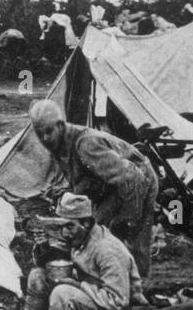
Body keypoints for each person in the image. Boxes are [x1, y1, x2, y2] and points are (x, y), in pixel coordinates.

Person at [29, 98, 159, 276]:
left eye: (49, 131)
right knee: (97, 231)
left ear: (60, 125)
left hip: (140, 179)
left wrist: (128, 220)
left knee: (133, 240)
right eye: (39, 133)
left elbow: (133, 179)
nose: (45, 138)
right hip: (110, 186)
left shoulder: (86, 145)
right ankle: (106, 277)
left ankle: (136, 289)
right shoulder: (60, 144)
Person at [23, 192, 142, 310]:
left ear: (86, 223)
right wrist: (43, 247)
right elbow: (54, 260)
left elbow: (118, 301)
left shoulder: (107, 250)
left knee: (62, 295)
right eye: (60, 227)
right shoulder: (80, 237)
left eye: (69, 226)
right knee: (37, 276)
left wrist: (79, 285)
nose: (65, 233)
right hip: (93, 297)